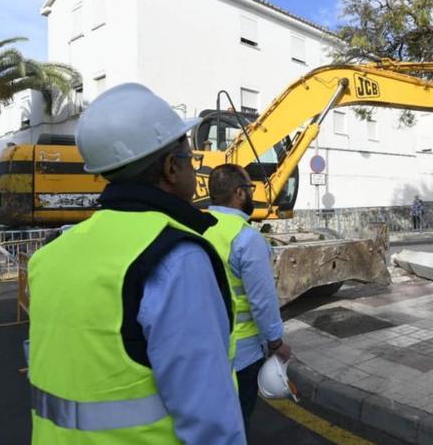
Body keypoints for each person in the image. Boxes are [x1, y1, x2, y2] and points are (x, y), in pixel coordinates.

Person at [28, 83, 244, 444]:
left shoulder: (50, 254)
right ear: (171, 168)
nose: (194, 169)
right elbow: (209, 419)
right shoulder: (175, 258)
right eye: (189, 159)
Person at [204, 163, 290, 434]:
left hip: (203, 348)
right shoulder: (245, 238)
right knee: (237, 424)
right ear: (240, 193)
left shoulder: (198, 228)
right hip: (240, 354)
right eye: (250, 189)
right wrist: (276, 343)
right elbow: (262, 301)